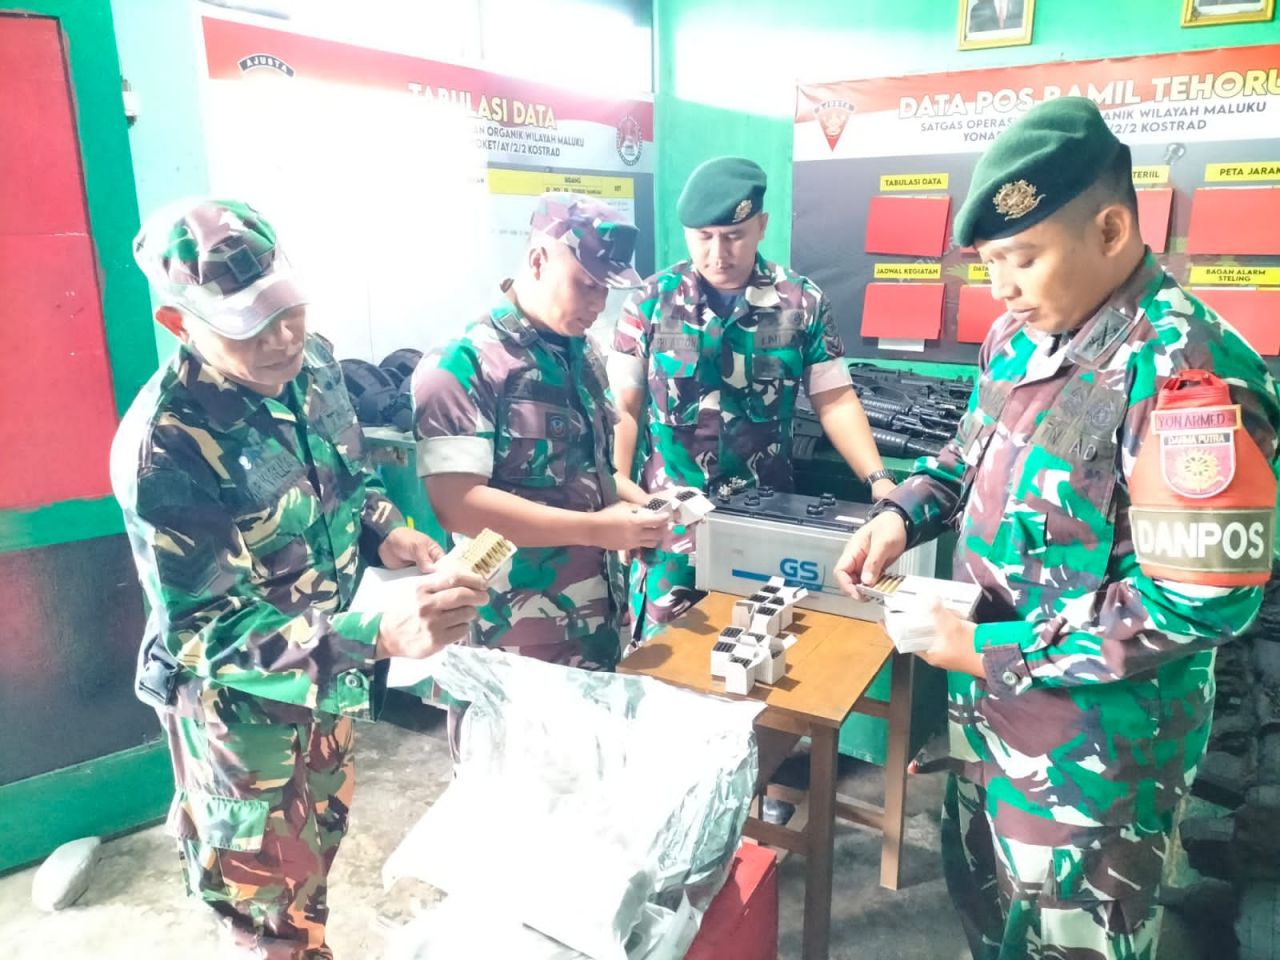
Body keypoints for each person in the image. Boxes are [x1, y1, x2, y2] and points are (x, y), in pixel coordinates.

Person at [836, 98, 1280, 959]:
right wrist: (899, 514)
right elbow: (965, 457)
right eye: (989, 264)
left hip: (1096, 769)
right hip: (988, 727)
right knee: (990, 923)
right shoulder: (1018, 337)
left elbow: (1197, 605)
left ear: (1111, 230)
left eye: (1023, 259)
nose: (999, 289)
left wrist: (988, 650)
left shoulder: (1189, 373)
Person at [111, 198, 489, 959]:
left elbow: (342, 478)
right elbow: (207, 632)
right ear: (180, 323)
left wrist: (388, 530)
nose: (282, 337)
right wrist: (376, 636)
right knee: (264, 913)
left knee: (315, 863)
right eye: (250, 324)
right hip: (241, 722)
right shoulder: (166, 447)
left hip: (326, 688)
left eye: (289, 308)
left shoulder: (312, 366)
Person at [609, 156, 896, 644]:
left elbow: (835, 400)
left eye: (734, 235)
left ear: (761, 225)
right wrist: (618, 490)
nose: (718, 253)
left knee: (760, 652)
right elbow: (624, 409)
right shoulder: (650, 301)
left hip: (766, 523)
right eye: (703, 236)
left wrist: (879, 479)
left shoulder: (800, 302)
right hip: (668, 525)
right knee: (665, 659)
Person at [412, 193, 667, 672]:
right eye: (586, 284)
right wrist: (600, 529)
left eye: (606, 289)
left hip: (596, 621)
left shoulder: (581, 354)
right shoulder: (463, 364)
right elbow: (457, 504)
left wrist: (647, 508)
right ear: (537, 261)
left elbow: (594, 472)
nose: (598, 304)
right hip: (510, 638)